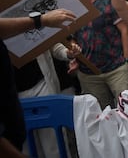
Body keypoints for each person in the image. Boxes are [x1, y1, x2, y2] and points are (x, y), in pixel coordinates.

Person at [0, 8, 76, 157]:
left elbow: (50, 44)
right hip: (12, 94)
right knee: (27, 146)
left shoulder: (30, 10)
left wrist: (67, 53)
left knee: (54, 143)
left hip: (41, 86)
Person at [69, 0, 128, 109]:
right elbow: (71, 38)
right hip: (89, 74)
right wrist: (74, 52)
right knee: (101, 116)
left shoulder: (106, 0)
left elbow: (124, 30)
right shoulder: (70, 9)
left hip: (117, 68)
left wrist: (126, 60)